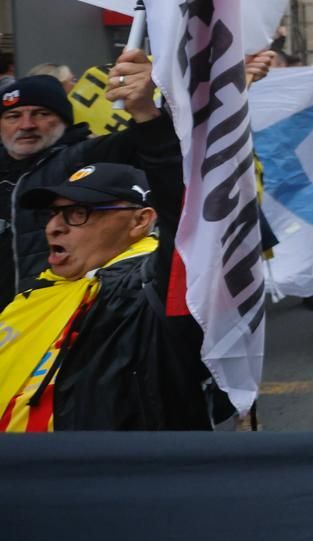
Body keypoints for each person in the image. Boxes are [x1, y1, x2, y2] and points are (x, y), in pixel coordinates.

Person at [0, 163, 208, 430]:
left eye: (78, 213)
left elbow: (188, 231)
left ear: (140, 220)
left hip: (89, 469)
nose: (53, 227)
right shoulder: (38, 293)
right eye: (53, 213)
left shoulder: (151, 289)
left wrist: (154, 132)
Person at [0, 50, 176, 308]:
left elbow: (158, 145)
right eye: (13, 116)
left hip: (71, 318)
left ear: (63, 119)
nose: (26, 125)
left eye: (41, 114)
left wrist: (147, 108)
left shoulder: (87, 157)